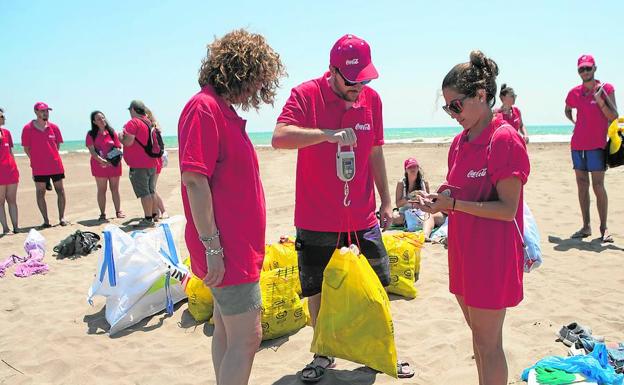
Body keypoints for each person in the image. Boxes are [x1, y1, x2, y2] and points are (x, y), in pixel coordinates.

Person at [272, 34, 414, 381]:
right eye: (353, 80)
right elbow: (279, 137)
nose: (359, 86)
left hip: (362, 216)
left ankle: (381, 352)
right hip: (316, 217)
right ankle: (323, 355)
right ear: (333, 71)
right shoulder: (307, 95)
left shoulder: (372, 100)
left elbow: (375, 151)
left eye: (365, 79)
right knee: (319, 289)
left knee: (378, 286)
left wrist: (384, 200)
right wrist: (327, 134)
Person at [413, 50, 530, 385]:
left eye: (456, 105)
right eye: (447, 106)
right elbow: (456, 192)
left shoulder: (504, 139)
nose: (451, 114)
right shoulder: (459, 142)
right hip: (464, 252)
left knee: (490, 344)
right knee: (478, 341)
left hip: (492, 256)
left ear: (481, 96)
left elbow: (508, 210)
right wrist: (434, 201)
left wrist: (453, 206)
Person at [178, 29, 285, 385]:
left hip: (234, 248)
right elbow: (194, 180)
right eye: (257, 79)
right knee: (247, 336)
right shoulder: (204, 108)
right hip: (227, 250)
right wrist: (213, 248)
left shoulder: (220, 110)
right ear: (240, 70)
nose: (258, 89)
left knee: (225, 328)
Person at [565, 54, 618, 243]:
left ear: (595, 68)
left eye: (588, 68)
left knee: (598, 186)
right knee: (582, 185)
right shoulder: (574, 92)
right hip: (577, 145)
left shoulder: (605, 89)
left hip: (597, 145)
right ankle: (586, 226)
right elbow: (567, 108)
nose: (585, 72)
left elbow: (614, 116)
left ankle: (604, 229)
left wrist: (601, 101)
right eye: (581, 69)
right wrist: (574, 122)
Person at [21, 102, 68, 228]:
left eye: (47, 111)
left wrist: (51, 157)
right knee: (40, 192)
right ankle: (46, 220)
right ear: (36, 112)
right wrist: (36, 160)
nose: (45, 113)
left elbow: (57, 146)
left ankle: (62, 217)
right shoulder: (27, 128)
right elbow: (26, 149)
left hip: (55, 165)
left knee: (60, 191)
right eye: (43, 111)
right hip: (39, 168)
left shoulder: (54, 127)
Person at [119, 100, 158, 227]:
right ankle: (153, 215)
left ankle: (148, 219)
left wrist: (120, 137)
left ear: (133, 109)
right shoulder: (149, 121)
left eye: (130, 110)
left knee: (144, 192)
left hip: (139, 164)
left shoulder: (134, 122)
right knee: (151, 190)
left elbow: (128, 142)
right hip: (152, 161)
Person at [394, 157, 445, 240]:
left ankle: (423, 228)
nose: (413, 169)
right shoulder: (401, 183)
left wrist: (423, 198)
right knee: (396, 218)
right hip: (405, 211)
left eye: (415, 166)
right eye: (410, 167)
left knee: (437, 217)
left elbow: (429, 201)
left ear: (418, 168)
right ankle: (418, 223)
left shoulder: (424, 182)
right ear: (406, 170)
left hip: (421, 210)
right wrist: (410, 196)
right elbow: (398, 204)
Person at [86, 111, 124, 221]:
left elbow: (118, 148)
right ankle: (102, 213)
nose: (102, 120)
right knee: (102, 189)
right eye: (98, 119)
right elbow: (92, 151)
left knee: (115, 189)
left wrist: (109, 160)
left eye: (103, 118)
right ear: (94, 122)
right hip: (99, 165)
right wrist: (101, 160)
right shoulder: (91, 134)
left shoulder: (112, 132)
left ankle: (118, 211)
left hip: (113, 164)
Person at [145, 108, 167, 220]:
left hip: (154, 161)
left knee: (151, 188)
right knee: (151, 188)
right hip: (156, 160)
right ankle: (157, 211)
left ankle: (161, 211)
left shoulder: (151, 128)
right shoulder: (154, 127)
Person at [0, 108, 20, 234]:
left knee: (12, 200)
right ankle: (5, 228)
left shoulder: (7, 132)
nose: (4, 118)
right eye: (1, 116)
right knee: (0, 201)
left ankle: (16, 227)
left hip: (11, 171)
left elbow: (10, 153)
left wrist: (15, 168)